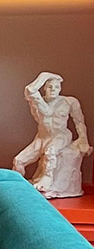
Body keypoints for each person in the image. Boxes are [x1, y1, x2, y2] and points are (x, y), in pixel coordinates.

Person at [13, 72, 90, 200]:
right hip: (42, 138)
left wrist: (83, 139)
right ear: (44, 88)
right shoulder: (38, 102)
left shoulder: (69, 102)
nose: (53, 89)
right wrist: (44, 76)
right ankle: (16, 185)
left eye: (56, 87)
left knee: (51, 152)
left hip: (61, 135)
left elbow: (79, 122)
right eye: (50, 86)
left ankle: (47, 179)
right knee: (18, 161)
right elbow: (30, 90)